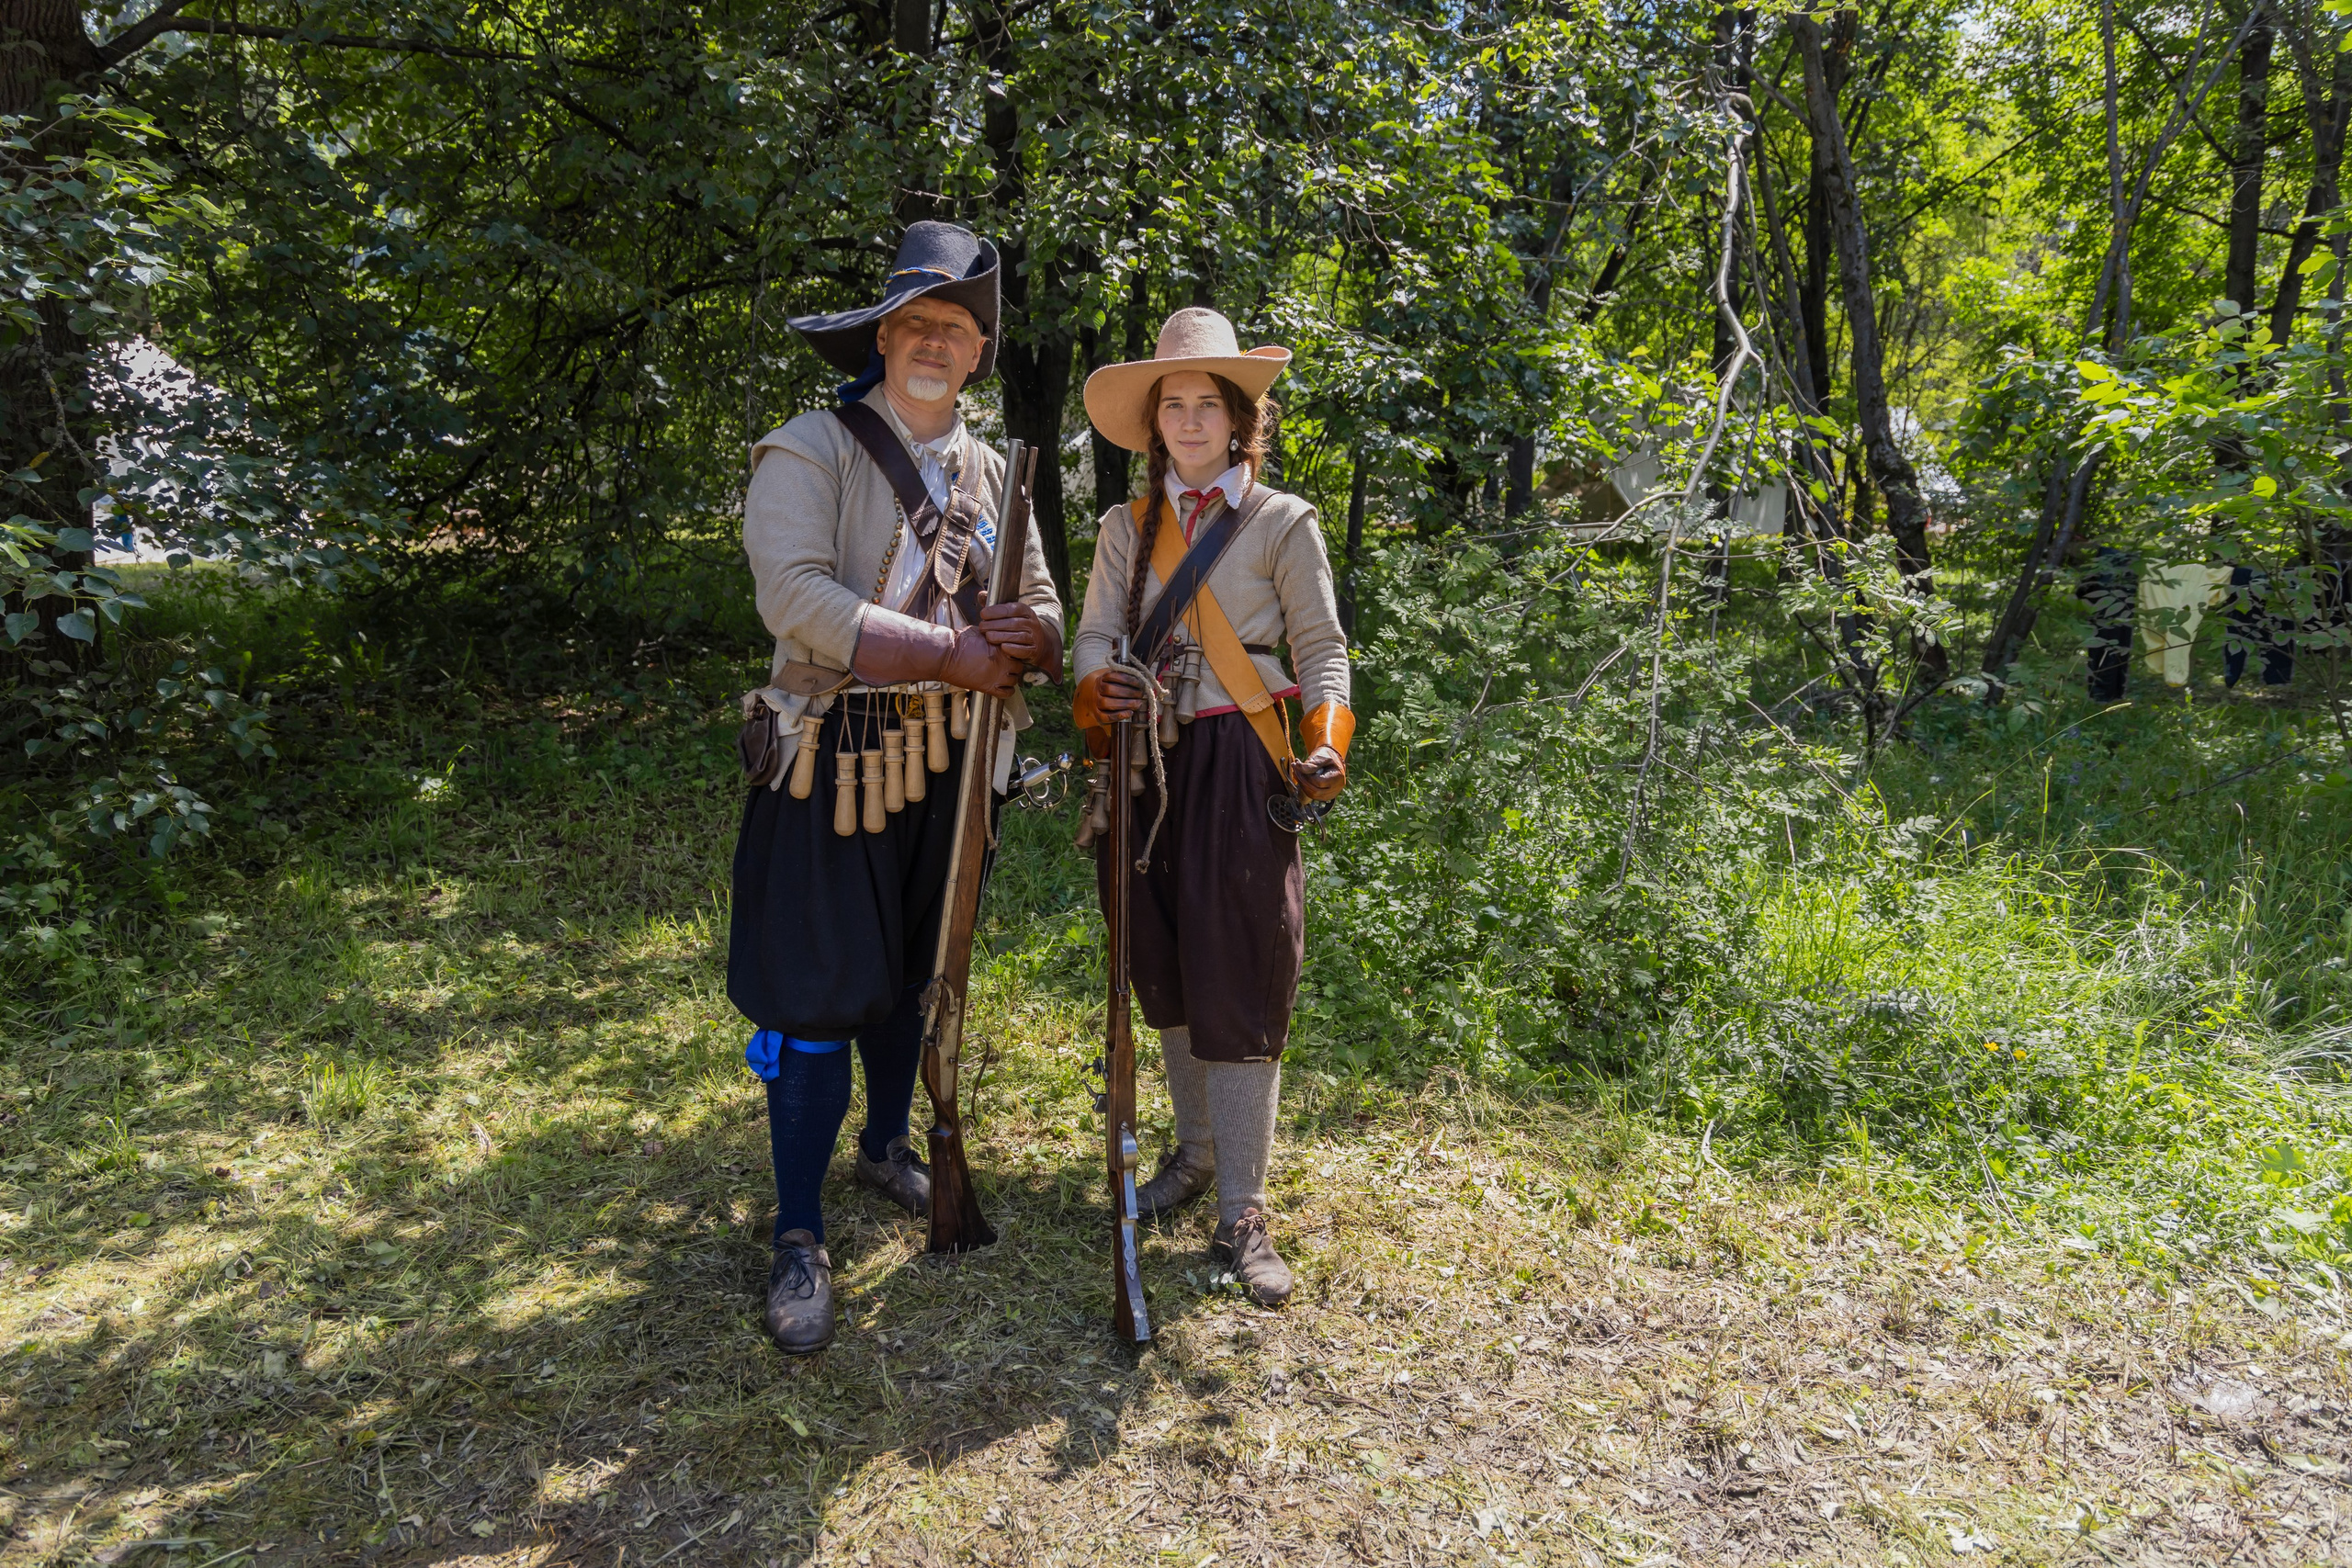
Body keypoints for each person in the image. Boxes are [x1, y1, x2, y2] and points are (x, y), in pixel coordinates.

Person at [732, 221, 1063, 1353]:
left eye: (954, 331)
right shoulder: (809, 448)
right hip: (832, 754)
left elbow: (1042, 603)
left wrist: (1032, 638)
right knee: (817, 993)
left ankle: (883, 1148)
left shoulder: (994, 472)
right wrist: (945, 654)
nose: (932, 343)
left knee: (913, 978)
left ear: (977, 355)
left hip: (957, 762)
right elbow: (794, 595)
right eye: (913, 324)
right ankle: (798, 1232)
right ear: (880, 339)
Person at [1070, 307, 1351, 1308]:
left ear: (1240, 419)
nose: (1189, 421)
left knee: (1239, 972)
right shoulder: (1124, 528)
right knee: (1164, 961)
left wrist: (1327, 741)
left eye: (1208, 404)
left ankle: (1242, 1209)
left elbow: (1322, 651)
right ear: (1154, 425)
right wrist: (1098, 688)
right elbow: (1092, 638)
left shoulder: (1283, 521)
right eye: (1172, 405)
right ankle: (1190, 1159)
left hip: (1242, 762)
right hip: (1146, 765)